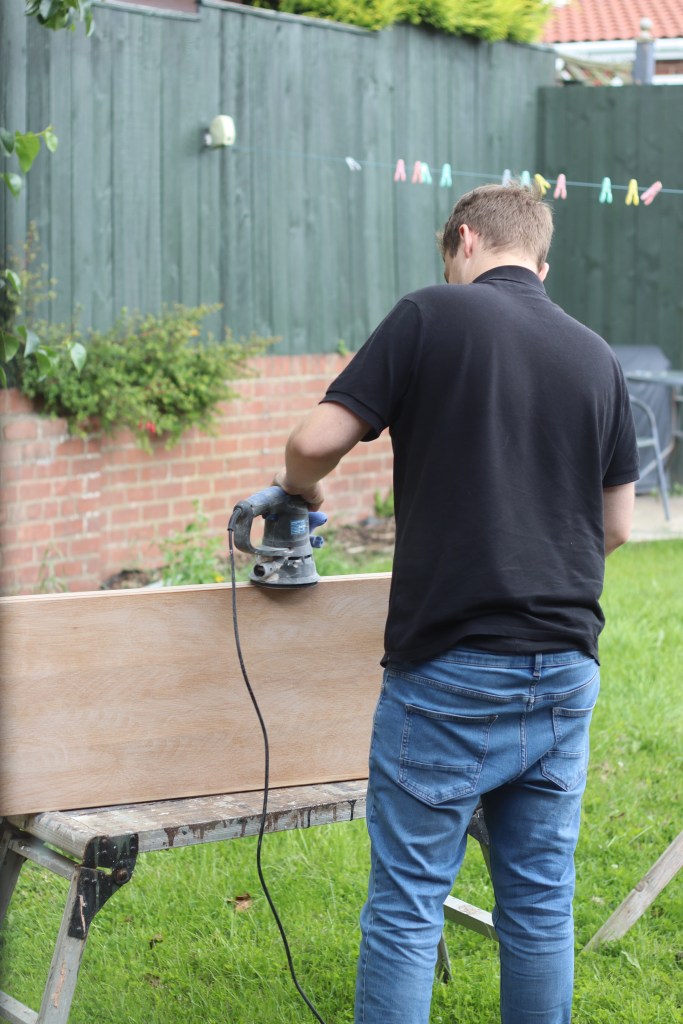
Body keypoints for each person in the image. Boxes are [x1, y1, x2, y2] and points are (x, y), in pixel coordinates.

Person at [273, 183, 639, 1024]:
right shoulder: (596, 356)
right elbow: (616, 525)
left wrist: (302, 491)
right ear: (541, 264)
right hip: (564, 669)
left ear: (464, 241)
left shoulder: (430, 313)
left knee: (408, 904)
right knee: (539, 903)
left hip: (450, 670)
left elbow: (312, 442)